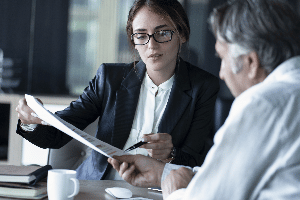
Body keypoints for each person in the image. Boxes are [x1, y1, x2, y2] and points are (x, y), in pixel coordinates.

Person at [108, 0, 300, 199]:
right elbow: (228, 177)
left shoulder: (263, 104)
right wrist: (160, 173)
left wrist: (175, 193)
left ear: (250, 62)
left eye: (223, 59)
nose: (222, 73)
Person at [15, 0, 219, 180]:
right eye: (141, 35)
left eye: (163, 33)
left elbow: (197, 161)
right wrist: (29, 121)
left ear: (182, 34)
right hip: (98, 188)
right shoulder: (109, 78)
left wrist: (171, 153)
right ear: (133, 41)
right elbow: (58, 134)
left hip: (158, 192)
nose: (151, 45)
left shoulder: (203, 87)